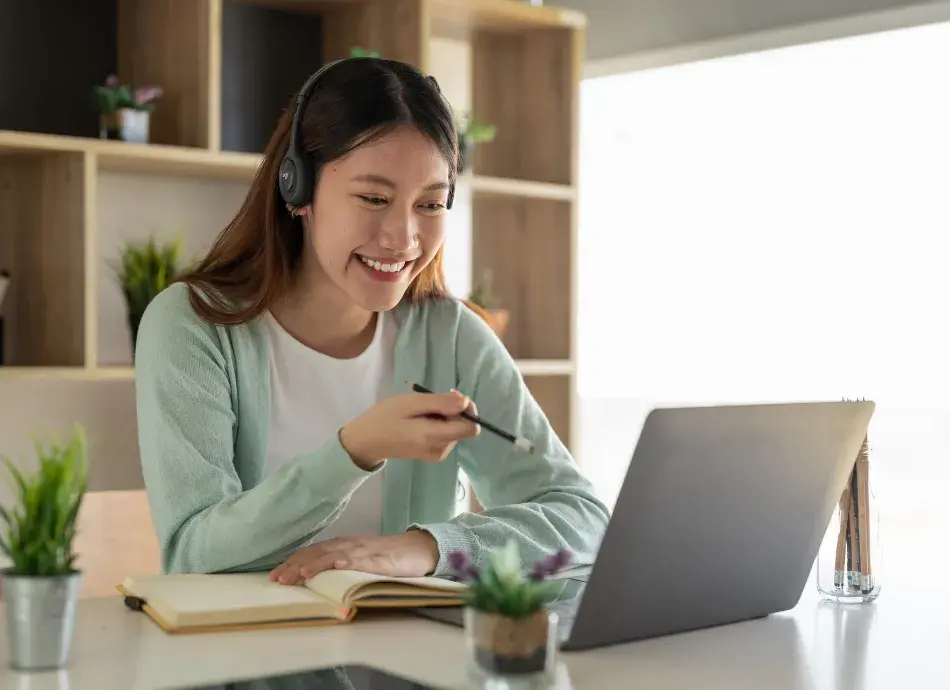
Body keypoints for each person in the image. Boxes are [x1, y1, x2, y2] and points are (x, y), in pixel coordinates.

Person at [133, 57, 609, 585]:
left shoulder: (450, 337)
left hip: (404, 656)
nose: (403, 238)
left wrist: (429, 548)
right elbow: (193, 554)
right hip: (244, 656)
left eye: (430, 205)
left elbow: (583, 519)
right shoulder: (192, 326)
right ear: (298, 190)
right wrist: (354, 451)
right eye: (374, 199)